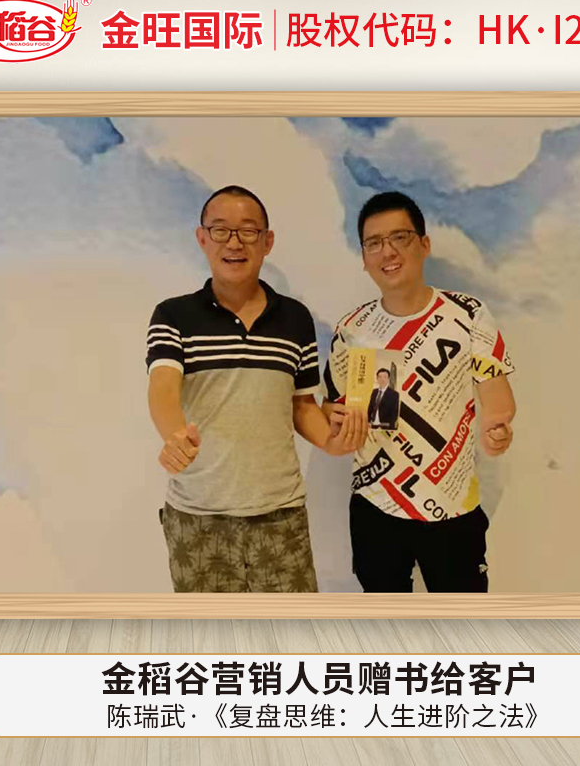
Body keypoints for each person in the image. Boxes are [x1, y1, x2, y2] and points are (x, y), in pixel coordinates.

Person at [146, 185, 366, 593]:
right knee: (208, 633)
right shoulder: (173, 315)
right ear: (202, 238)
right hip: (197, 517)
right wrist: (174, 435)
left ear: (268, 242)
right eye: (220, 230)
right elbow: (162, 386)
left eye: (248, 231)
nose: (234, 242)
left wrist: (332, 441)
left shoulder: (295, 319)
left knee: (290, 631)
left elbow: (302, 405)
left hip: (280, 515)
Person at [323, 191, 516, 593]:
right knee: (385, 625)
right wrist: (336, 428)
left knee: (464, 625)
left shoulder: (467, 314)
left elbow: (497, 394)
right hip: (376, 504)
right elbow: (330, 409)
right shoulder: (351, 330)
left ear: (424, 244)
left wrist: (497, 425)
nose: (387, 251)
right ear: (363, 258)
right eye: (374, 243)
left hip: (453, 505)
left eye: (400, 237)